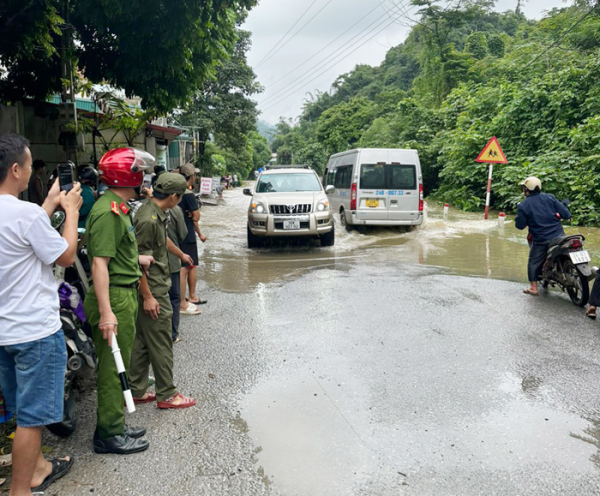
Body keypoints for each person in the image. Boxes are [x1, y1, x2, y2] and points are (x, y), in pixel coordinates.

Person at [0, 133, 81, 495]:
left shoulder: (24, 215)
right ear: (16, 170)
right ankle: (22, 489)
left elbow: (22, 238)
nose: (32, 171)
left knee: (21, 409)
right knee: (32, 420)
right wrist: (72, 212)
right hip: (35, 332)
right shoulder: (26, 214)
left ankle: (42, 467)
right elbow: (63, 255)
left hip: (4, 333)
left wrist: (47, 203)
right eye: (30, 165)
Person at [83, 148, 154, 455]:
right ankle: (109, 434)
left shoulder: (117, 206)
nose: (142, 174)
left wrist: (137, 259)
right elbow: (99, 264)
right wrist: (107, 312)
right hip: (114, 297)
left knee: (118, 364)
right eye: (137, 169)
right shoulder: (107, 211)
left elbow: (114, 256)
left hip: (122, 292)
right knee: (114, 368)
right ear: (129, 175)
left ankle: (114, 423)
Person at [129, 173, 197, 409]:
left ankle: (136, 388)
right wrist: (148, 296)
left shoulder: (154, 211)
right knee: (161, 340)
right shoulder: (147, 219)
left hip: (154, 286)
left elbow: (163, 239)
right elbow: (137, 261)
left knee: (143, 340)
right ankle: (167, 394)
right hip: (153, 288)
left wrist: (179, 254)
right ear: (174, 197)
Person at [515, 176, 571, 296]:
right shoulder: (549, 197)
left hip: (541, 240)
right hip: (560, 236)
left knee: (533, 261)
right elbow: (566, 214)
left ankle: (533, 287)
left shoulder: (523, 205)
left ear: (526, 190)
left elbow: (519, 226)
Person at [167, 201, 199, 343]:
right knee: (174, 297)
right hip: (171, 260)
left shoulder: (142, 208)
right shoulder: (174, 209)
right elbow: (183, 233)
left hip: (149, 263)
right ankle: (172, 334)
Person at [179, 164, 208, 311]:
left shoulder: (174, 191)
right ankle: (190, 297)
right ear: (192, 177)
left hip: (176, 233)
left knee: (184, 266)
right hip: (187, 233)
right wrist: (199, 233)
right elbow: (196, 216)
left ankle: (182, 298)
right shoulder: (188, 194)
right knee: (188, 266)